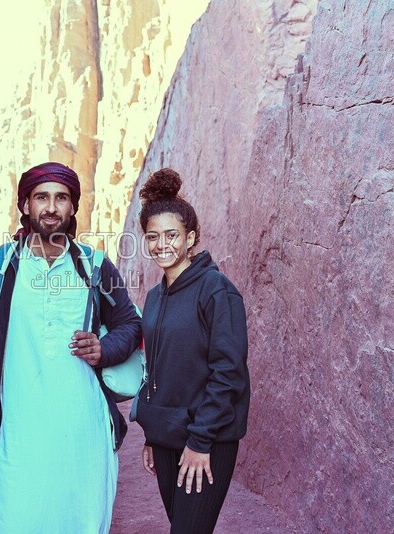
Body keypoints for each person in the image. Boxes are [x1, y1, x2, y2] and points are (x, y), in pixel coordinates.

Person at [0, 161, 142, 533]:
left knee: (80, 517)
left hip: (82, 426)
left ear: (73, 207)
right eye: (41, 198)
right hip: (17, 428)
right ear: (25, 206)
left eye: (61, 198)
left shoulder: (97, 267)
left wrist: (105, 348)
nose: (51, 207)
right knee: (16, 518)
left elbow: (129, 324)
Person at [135, 168, 250, 533]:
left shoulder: (216, 290)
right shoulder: (154, 298)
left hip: (207, 439)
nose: (161, 244)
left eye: (172, 235)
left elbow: (228, 371)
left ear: (191, 237)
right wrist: (154, 435)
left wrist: (201, 441)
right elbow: (156, 372)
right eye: (152, 237)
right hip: (167, 435)